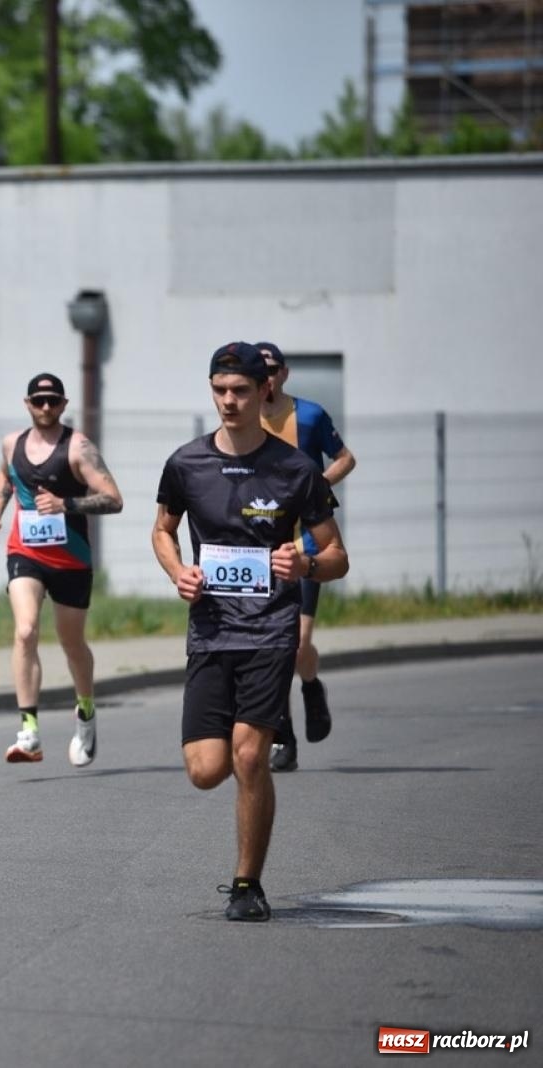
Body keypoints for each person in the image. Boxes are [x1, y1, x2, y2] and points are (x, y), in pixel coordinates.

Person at [152, 342, 348, 922]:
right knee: (205, 770)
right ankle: (245, 874)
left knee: (248, 758)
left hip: (270, 630)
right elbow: (162, 530)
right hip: (211, 633)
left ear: (265, 391)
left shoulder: (295, 470)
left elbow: (337, 555)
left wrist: (306, 565)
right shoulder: (186, 464)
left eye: (239, 390)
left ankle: (247, 885)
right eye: (219, 390)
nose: (228, 401)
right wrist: (177, 572)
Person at [0, 373, 123, 767]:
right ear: (27, 404)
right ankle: (28, 731)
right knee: (25, 629)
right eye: (38, 400)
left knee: (71, 643)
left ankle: (86, 709)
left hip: (71, 558)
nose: (46, 407)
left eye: (53, 401)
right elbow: (5, 475)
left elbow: (114, 500)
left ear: (63, 405)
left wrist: (67, 505)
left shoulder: (78, 448)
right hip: (25, 551)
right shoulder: (12, 443)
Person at [256, 342, 358, 772]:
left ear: (285, 373)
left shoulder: (310, 415)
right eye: (257, 371)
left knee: (297, 645)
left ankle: (311, 686)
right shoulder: (242, 419)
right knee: (271, 648)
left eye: (273, 369)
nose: (267, 378)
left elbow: (346, 458)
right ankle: (284, 740)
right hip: (258, 550)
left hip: (305, 547)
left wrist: (318, 483)